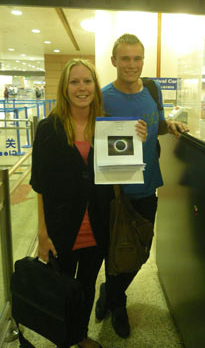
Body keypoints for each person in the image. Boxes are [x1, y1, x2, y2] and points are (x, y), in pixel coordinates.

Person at [95, 33, 189, 338]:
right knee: (115, 250)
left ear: (142, 61)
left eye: (137, 58)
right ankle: (117, 302)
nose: (131, 65)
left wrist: (169, 125)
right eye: (125, 58)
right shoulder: (103, 97)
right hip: (115, 191)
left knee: (141, 251)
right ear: (114, 61)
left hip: (149, 185)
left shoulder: (152, 88)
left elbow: (156, 123)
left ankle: (109, 292)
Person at [30, 59, 122, 348]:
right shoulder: (49, 128)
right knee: (62, 288)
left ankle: (80, 335)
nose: (82, 87)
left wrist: (137, 140)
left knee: (87, 286)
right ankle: (62, 337)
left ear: (95, 85)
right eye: (75, 82)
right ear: (65, 88)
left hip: (96, 224)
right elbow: (40, 186)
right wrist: (42, 234)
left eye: (87, 81)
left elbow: (122, 170)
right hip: (62, 227)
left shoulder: (107, 126)